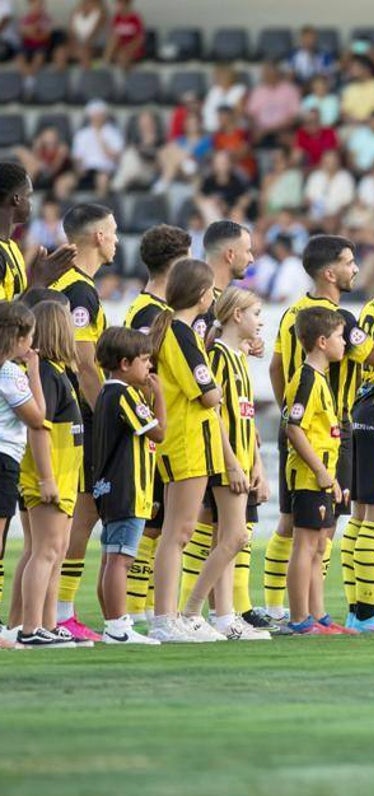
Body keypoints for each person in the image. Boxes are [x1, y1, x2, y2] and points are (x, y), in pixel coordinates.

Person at [265, 236, 374, 629]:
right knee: (317, 533)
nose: (356, 269)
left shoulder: (292, 312)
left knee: (294, 525)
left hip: (296, 424)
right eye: (349, 262)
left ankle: (290, 610)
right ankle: (301, 616)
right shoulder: (339, 321)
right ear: (330, 272)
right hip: (326, 431)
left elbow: (276, 367)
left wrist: (290, 412)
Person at [181, 288, 271, 641]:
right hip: (225, 459)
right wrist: (233, 462)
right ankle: (190, 611)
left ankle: (223, 617)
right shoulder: (217, 355)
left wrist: (256, 465)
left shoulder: (238, 357)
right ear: (237, 316)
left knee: (227, 537)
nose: (261, 320)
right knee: (235, 536)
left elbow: (245, 417)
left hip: (242, 460)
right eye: (256, 312)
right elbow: (213, 413)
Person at [144, 260, 223, 643]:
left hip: (190, 442)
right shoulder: (180, 333)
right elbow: (209, 395)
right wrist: (218, 391)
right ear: (202, 293)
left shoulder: (177, 330)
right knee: (178, 533)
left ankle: (167, 615)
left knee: (180, 532)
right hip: (186, 441)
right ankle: (164, 618)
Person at [48, 203, 114, 643]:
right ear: (94, 237)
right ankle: (60, 611)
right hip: (79, 412)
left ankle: (53, 610)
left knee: (73, 513)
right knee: (81, 512)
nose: (116, 240)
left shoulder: (63, 284)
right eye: (111, 232)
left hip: (60, 408)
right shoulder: (81, 291)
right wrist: (109, 414)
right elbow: (86, 362)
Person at [121, 224, 191, 623]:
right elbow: (144, 376)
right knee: (153, 528)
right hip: (156, 433)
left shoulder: (149, 308)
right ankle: (136, 611)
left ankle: (143, 609)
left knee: (155, 526)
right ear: (179, 261)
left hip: (159, 429)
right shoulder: (151, 313)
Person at [12, 300, 81, 648]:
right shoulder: (48, 376)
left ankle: (48, 624)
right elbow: (40, 429)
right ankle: (30, 627)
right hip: (50, 476)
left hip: (66, 476)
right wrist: (46, 478)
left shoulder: (56, 372)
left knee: (57, 551)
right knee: (45, 551)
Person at [91, 327, 163, 645]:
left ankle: (113, 624)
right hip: (127, 489)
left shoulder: (107, 393)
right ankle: (118, 626)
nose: (149, 367)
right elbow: (158, 433)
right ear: (124, 363)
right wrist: (159, 395)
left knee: (111, 558)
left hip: (110, 488)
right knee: (121, 560)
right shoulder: (123, 394)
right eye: (145, 360)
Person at [282, 308, 349, 635]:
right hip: (309, 477)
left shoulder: (321, 378)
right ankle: (299, 619)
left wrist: (331, 477)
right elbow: (294, 428)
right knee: (305, 545)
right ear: (322, 342)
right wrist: (321, 472)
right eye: (339, 336)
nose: (345, 342)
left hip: (322, 474)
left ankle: (319, 616)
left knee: (320, 545)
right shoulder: (306, 378)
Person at [0, 303, 42, 632]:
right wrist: (35, 372)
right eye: (29, 337)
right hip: (4, 458)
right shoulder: (10, 373)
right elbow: (37, 417)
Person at [0, 162, 75, 301]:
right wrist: (38, 282)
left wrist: (39, 282)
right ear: (16, 199)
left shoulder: (13, 248)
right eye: (29, 196)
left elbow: (16, 309)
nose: (32, 202)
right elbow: (5, 317)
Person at [71, 100, 123, 197]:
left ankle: (98, 210)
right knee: (64, 183)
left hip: (106, 170)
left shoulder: (113, 133)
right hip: (87, 171)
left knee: (102, 180)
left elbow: (117, 157)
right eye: (95, 115)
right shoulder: (82, 134)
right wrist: (78, 170)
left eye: (99, 115)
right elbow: (77, 158)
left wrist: (101, 139)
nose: (97, 118)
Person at [244, 63, 302, 147]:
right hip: (261, 133)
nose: (269, 77)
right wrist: (255, 129)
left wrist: (272, 129)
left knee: (290, 140)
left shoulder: (290, 90)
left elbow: (295, 116)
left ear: (278, 74)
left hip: (283, 131)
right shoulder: (258, 91)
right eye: (267, 75)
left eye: (272, 74)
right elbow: (250, 115)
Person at [102, 0, 143, 70]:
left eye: (120, 4)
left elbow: (139, 39)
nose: (118, 7)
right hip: (118, 47)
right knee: (115, 38)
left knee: (123, 55)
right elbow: (111, 37)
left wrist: (128, 48)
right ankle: (105, 64)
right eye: (117, 4)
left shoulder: (135, 19)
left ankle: (125, 75)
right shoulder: (117, 18)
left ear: (127, 5)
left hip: (131, 48)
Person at [65, 0, 105, 68]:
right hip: (78, 44)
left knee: (85, 53)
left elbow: (95, 34)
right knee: (62, 52)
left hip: (94, 45)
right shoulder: (76, 11)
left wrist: (84, 46)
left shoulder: (100, 12)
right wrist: (74, 45)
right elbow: (71, 32)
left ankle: (88, 72)